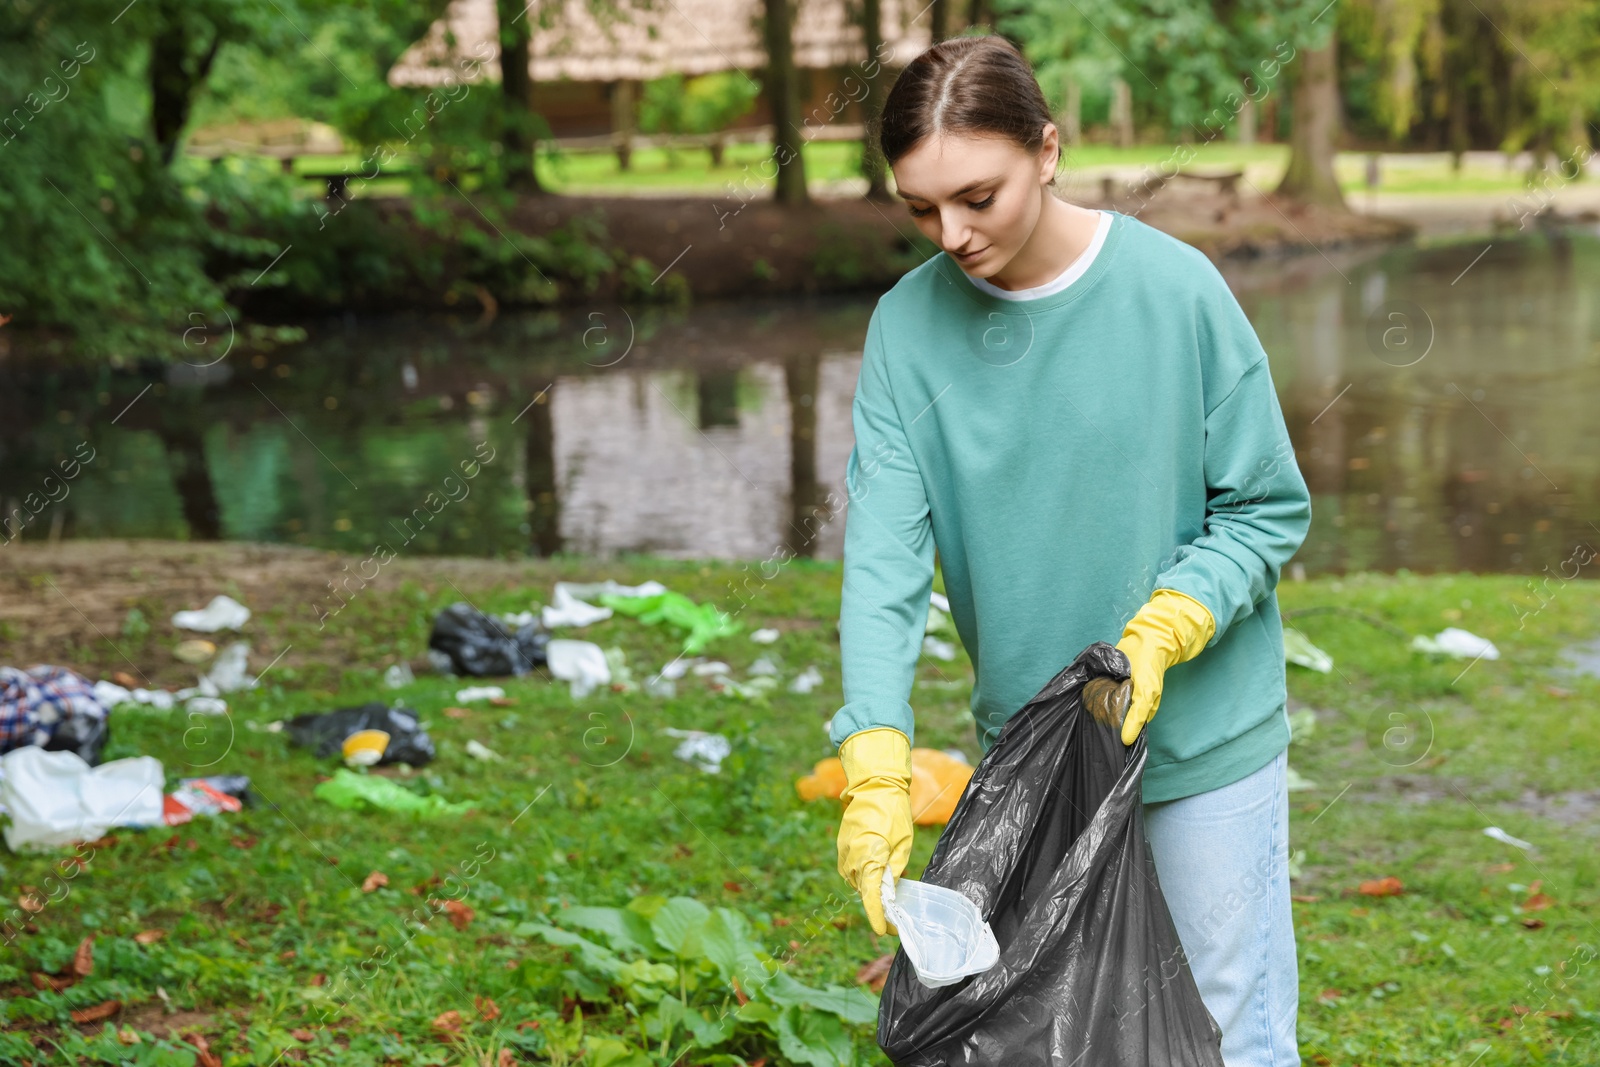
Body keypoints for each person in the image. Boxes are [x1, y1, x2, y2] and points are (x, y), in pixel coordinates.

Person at [830, 35, 1311, 1067]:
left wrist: (1169, 622)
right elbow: (881, 563)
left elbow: (1265, 508)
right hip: (1040, 758)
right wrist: (872, 750)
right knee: (1073, 1039)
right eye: (919, 208)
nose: (950, 233)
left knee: (1229, 1036)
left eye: (977, 195)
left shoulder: (1174, 293)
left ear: (1047, 150)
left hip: (1202, 746)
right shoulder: (904, 331)